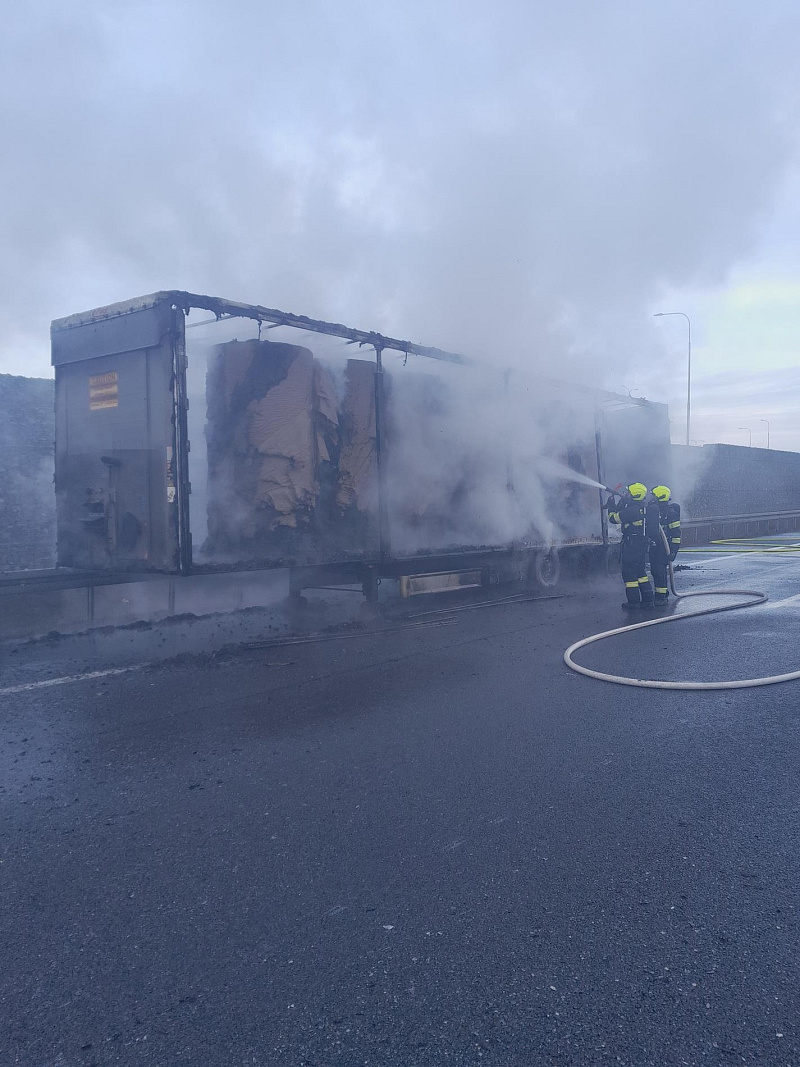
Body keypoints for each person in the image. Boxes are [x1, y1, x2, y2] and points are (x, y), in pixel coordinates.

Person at [606, 482, 656, 610]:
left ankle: (633, 602)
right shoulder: (643, 507)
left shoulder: (632, 511)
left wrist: (611, 506)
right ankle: (648, 599)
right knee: (640, 573)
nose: (626, 494)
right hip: (640, 544)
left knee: (629, 574)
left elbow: (613, 519)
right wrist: (622, 502)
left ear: (635, 495)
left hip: (632, 545)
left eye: (629, 493)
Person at [648, 485, 681, 607]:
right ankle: (661, 594)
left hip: (663, 548)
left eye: (654, 496)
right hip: (655, 546)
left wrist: (673, 551)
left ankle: (661, 597)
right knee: (655, 571)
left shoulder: (670, 513)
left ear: (660, 497)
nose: (652, 498)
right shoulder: (655, 511)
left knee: (659, 572)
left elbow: (676, 534)